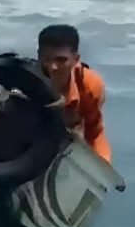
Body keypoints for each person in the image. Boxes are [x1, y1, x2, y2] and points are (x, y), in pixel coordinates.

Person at [37, 24, 112, 164]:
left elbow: (94, 133)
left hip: (67, 142)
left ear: (76, 59)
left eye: (61, 60)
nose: (53, 67)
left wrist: (103, 167)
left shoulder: (89, 85)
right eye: (47, 59)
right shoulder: (24, 81)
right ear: (38, 56)